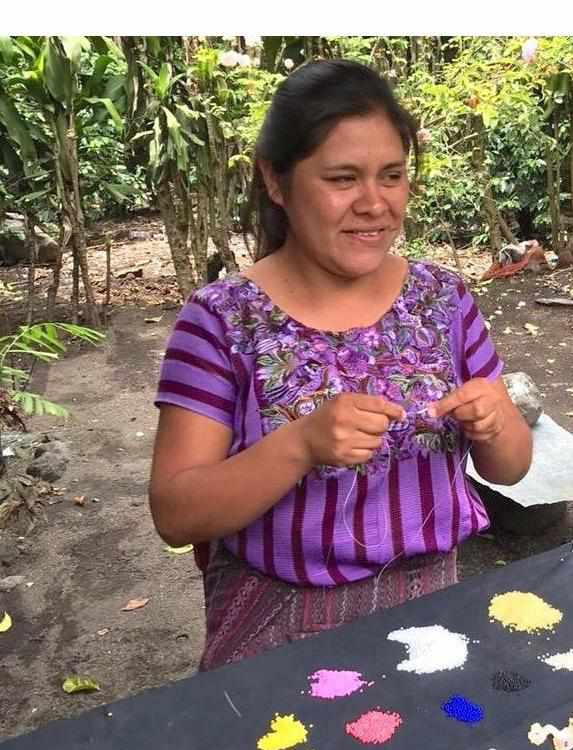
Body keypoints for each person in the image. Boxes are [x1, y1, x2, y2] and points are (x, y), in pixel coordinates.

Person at [149, 59, 532, 671]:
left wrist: (498, 423)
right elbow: (176, 512)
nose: (374, 204)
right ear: (276, 181)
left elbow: (511, 469)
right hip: (278, 622)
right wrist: (298, 445)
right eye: (342, 178)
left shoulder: (445, 301)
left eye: (392, 176)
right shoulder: (222, 321)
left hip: (436, 612)